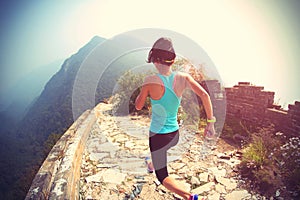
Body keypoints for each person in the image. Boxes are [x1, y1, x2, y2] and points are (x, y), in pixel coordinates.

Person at [135, 37, 216, 200]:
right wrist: (210, 123)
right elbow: (205, 95)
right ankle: (151, 164)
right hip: (174, 135)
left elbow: (138, 106)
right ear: (172, 60)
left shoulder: (150, 81)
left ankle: (189, 196)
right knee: (159, 154)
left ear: (156, 59)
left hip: (158, 136)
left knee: (162, 176)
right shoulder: (183, 78)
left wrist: (143, 93)